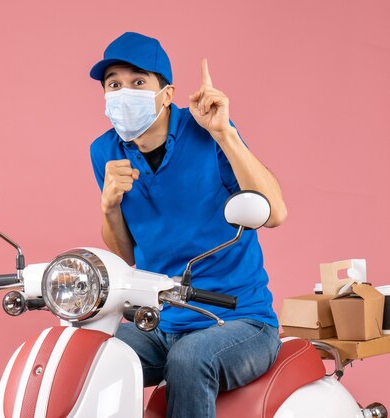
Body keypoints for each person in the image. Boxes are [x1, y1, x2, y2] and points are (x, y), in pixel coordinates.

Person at [89, 32, 286, 418]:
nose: (123, 92)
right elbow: (128, 253)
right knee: (93, 356)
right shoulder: (104, 151)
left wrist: (224, 133)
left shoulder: (208, 132)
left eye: (138, 81)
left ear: (166, 93)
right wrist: (109, 206)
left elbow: (275, 213)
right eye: (114, 84)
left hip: (239, 319)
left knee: (189, 358)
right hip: (160, 319)